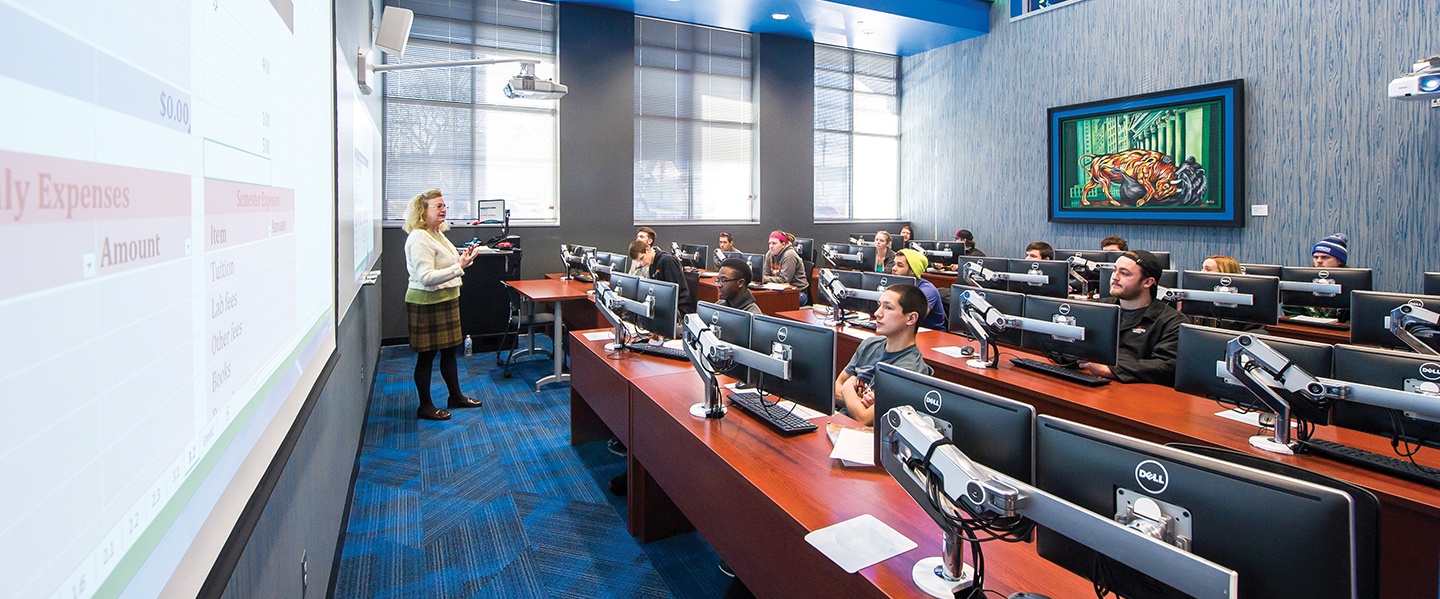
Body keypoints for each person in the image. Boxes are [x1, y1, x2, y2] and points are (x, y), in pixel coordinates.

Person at [403, 190, 484, 421]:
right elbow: (427, 276)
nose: (443, 210)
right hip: (426, 303)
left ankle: (455, 396)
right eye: (437, 206)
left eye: (444, 205)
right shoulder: (419, 238)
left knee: (449, 352)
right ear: (423, 212)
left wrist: (462, 258)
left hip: (446, 299)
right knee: (426, 357)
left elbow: (446, 262)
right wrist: (460, 265)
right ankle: (425, 406)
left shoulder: (437, 234)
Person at [1080, 250, 1188, 386]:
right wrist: (1066, 354)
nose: (1115, 277)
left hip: (1137, 392)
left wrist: (1111, 370)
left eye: (1124, 273)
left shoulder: (1171, 322)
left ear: (1148, 282)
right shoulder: (1096, 309)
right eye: (1115, 270)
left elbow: (1166, 366)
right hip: (1088, 381)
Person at [834, 284, 934, 426]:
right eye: (879, 305)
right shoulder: (869, 344)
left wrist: (848, 387)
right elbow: (835, 387)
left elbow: (864, 419)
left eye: (888, 308)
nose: (877, 313)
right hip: (839, 422)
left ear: (911, 318)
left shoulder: (909, 369)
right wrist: (858, 402)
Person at [1284, 233, 1351, 322]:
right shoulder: (1303, 279)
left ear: (1339, 261)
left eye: (1325, 257)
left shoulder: (1351, 282)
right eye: (1316, 257)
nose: (1319, 261)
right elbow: (1291, 310)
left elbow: (1357, 318)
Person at [628, 239, 692, 314]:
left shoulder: (667, 261)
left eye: (642, 258)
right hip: (664, 306)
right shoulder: (652, 266)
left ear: (648, 250)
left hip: (679, 308)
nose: (642, 263)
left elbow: (673, 292)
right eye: (639, 261)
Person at [892, 249, 947, 331]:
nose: (893, 268)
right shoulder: (896, 286)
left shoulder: (927, 290)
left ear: (912, 271)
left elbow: (912, 319)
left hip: (932, 336)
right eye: (894, 264)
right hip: (907, 332)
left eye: (900, 265)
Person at [762, 230, 811, 304]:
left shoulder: (789, 255)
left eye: (774, 243)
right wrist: (762, 278)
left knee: (772, 303)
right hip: (778, 290)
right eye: (769, 243)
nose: (771, 246)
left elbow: (785, 280)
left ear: (783, 244)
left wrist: (763, 279)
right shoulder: (769, 254)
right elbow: (765, 274)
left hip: (798, 293)